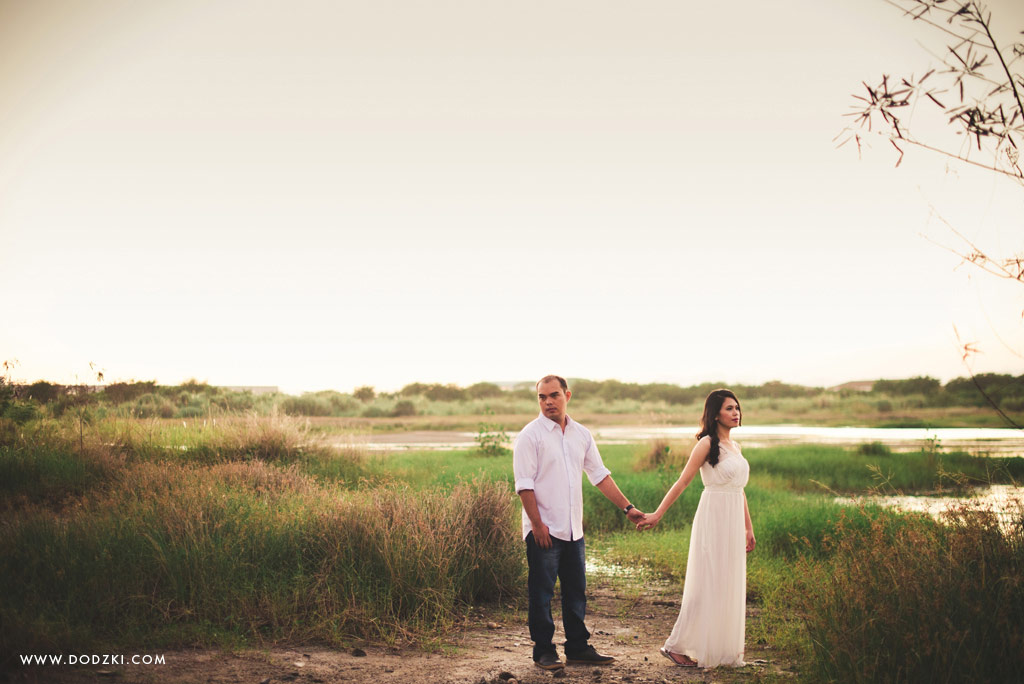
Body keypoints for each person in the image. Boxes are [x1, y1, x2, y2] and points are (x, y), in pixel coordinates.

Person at [513, 375, 646, 671]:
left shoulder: (581, 434)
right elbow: (524, 485)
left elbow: (599, 474)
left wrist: (628, 508)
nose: (548, 401)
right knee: (542, 593)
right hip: (544, 530)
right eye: (542, 397)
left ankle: (577, 648)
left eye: (554, 395)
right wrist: (537, 525)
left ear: (567, 395)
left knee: (576, 591)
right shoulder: (530, 436)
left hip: (574, 529)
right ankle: (544, 651)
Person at [637, 389, 755, 668]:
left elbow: (740, 491)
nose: (736, 412)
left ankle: (722, 650)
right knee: (708, 581)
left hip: (733, 519)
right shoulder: (706, 444)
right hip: (713, 517)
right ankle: (676, 646)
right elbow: (682, 482)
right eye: (729, 408)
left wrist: (748, 528)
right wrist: (657, 514)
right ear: (715, 414)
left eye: (737, 408)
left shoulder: (735, 448)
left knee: (728, 581)